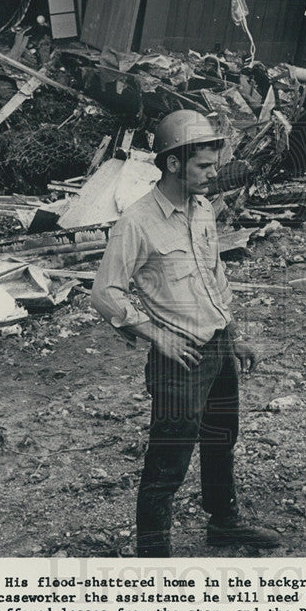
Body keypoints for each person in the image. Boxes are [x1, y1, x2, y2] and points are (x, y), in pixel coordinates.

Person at [91, 109, 280, 558]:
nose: (213, 175)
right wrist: (156, 335)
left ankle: (224, 523)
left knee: (221, 441)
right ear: (174, 163)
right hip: (178, 360)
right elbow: (104, 293)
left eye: (214, 165)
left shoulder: (203, 210)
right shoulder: (137, 221)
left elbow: (214, 278)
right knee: (167, 466)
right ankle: (153, 561)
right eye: (203, 166)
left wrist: (233, 337)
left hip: (217, 350)